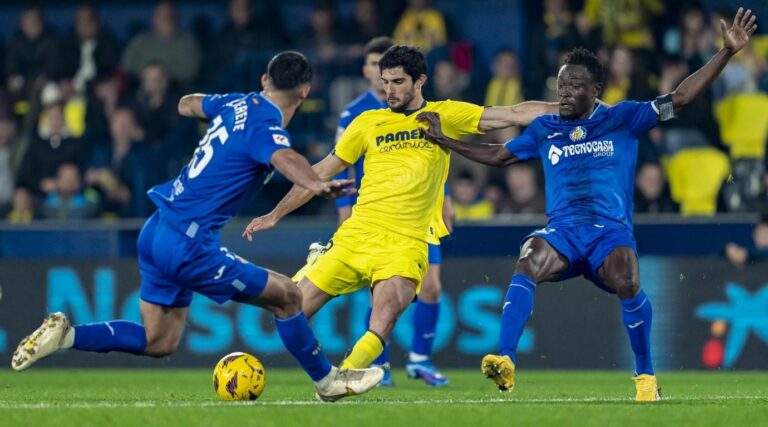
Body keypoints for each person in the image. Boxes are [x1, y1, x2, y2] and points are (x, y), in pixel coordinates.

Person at [416, 9, 757, 402]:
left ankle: (645, 377)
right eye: (560, 85)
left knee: (627, 274)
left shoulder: (623, 117)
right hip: (562, 232)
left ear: (595, 90)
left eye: (574, 85)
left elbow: (678, 99)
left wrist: (725, 53)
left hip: (608, 233)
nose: (563, 92)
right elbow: (499, 156)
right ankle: (506, 359)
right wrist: (446, 141)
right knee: (528, 254)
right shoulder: (545, 129)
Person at [11, 51, 383, 402]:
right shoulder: (265, 125)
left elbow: (186, 103)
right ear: (305, 92)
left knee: (160, 341)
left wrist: (214, 107)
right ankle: (327, 381)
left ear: (265, 78)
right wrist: (315, 184)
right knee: (288, 297)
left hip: (157, 229)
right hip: (188, 244)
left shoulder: (236, 102)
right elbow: (284, 156)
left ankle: (67, 335)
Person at [243, 45, 556, 378]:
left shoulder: (444, 115)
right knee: (289, 310)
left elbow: (512, 114)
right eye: (385, 81)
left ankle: (341, 380)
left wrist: (575, 108)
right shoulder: (367, 122)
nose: (388, 90)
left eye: (397, 82)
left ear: (420, 80)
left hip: (406, 243)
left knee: (385, 316)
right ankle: (328, 372)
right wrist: (275, 214)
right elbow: (320, 171)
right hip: (356, 235)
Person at [295, 37, 454, 387]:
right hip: (373, 214)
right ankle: (377, 363)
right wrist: (343, 210)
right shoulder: (359, 112)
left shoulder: (420, 108)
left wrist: (446, 198)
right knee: (379, 287)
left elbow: (427, 158)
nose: (379, 74)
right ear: (368, 71)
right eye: (372, 65)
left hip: (417, 213)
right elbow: (340, 165)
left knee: (431, 286)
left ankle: (418, 359)